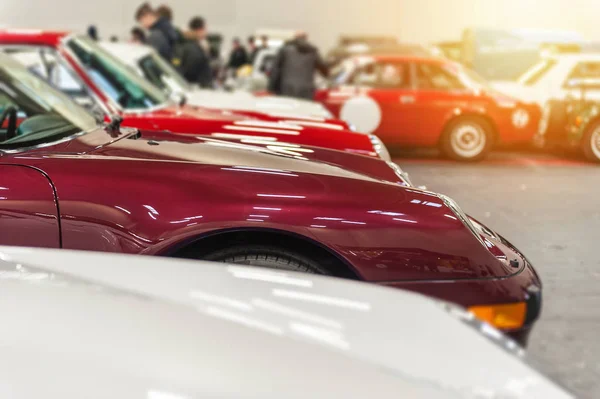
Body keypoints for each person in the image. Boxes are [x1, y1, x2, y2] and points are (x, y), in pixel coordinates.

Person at [268, 32, 328, 100]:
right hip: (306, 90)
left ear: (295, 38)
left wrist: (271, 88)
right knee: (304, 109)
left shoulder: (284, 50)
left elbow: (275, 70)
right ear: (306, 38)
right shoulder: (312, 51)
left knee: (287, 108)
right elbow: (323, 68)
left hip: (286, 88)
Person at [179, 16, 213, 88]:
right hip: (199, 87)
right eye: (205, 29)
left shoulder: (194, 44)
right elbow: (191, 70)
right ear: (199, 30)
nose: (206, 32)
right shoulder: (192, 48)